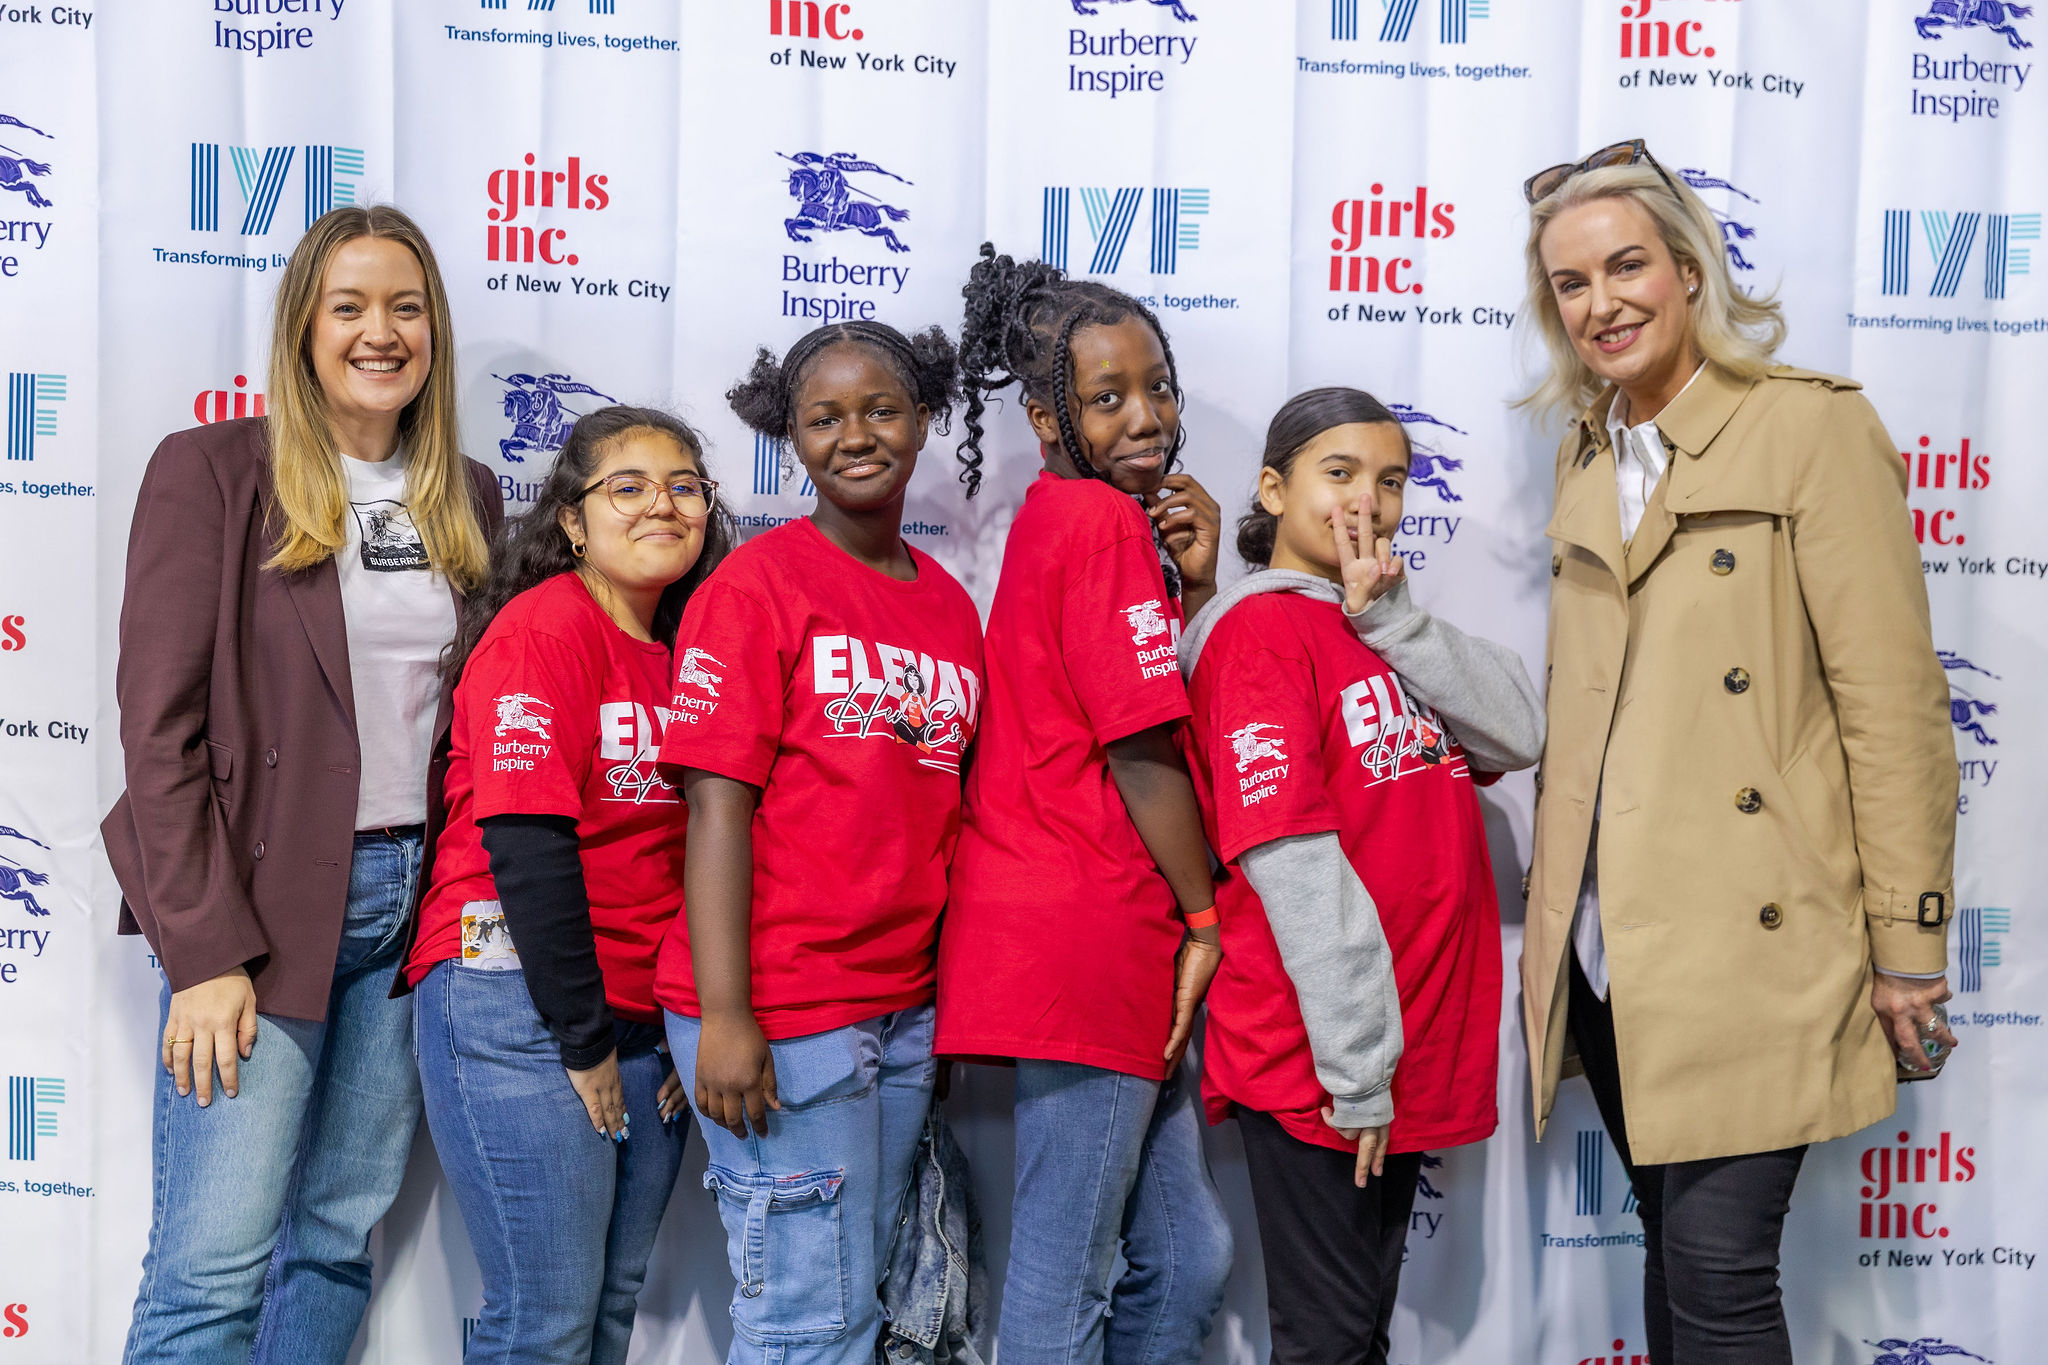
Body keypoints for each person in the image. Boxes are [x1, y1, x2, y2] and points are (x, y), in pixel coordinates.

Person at [1517, 141, 1959, 1364]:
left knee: (1716, 1281)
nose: (1601, 303)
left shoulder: (1806, 429)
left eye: (1624, 267)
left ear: (1687, 271)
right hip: (1612, 953)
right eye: (1569, 284)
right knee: (1674, 1266)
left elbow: (1892, 707)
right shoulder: (1585, 453)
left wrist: (1908, 948)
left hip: (1752, 941)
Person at [104, 205, 502, 1364]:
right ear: (303, 328)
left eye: (405, 307)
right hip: (261, 907)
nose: (380, 332)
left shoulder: (464, 493)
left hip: (412, 909)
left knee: (335, 1237)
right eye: (350, 307)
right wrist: (205, 951)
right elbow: (158, 731)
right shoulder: (213, 471)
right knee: (210, 1272)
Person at [1177, 387, 1542, 1365]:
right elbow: (1290, 860)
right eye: (1336, 474)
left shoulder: (1376, 628)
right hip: (1322, 1061)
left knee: (1356, 1339)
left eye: (1387, 482)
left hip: (1395, 1046)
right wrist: (1355, 1072)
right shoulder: (1258, 635)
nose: (1364, 504)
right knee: (1329, 1344)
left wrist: (1394, 622)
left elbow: (1517, 727)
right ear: (1271, 488)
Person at [657, 320, 984, 1365]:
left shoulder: (949, 609)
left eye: (881, 409)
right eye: (824, 417)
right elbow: (716, 808)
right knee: (807, 1320)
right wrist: (723, 1014)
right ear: (788, 438)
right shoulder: (753, 589)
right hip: (783, 1008)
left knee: (863, 1304)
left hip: (899, 1009)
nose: (856, 435)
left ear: (924, 420)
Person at [938, 244, 1233, 1364]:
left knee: (1188, 1251)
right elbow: (1140, 748)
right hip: (1087, 927)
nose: (1144, 415)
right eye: (1106, 398)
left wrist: (1195, 590)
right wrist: (1204, 916)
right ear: (1048, 420)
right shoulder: (1097, 523)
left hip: (1083, 920)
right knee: (1060, 1290)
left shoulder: (1074, 524)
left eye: (1155, 385)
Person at [403, 406, 731, 1363]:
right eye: (626, 487)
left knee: (610, 1309)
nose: (660, 505)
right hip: (524, 1004)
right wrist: (584, 1038)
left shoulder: (690, 653)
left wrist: (682, 1020)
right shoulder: (541, 633)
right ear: (573, 523)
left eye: (683, 486)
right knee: (544, 1320)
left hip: (642, 1019)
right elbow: (527, 849)